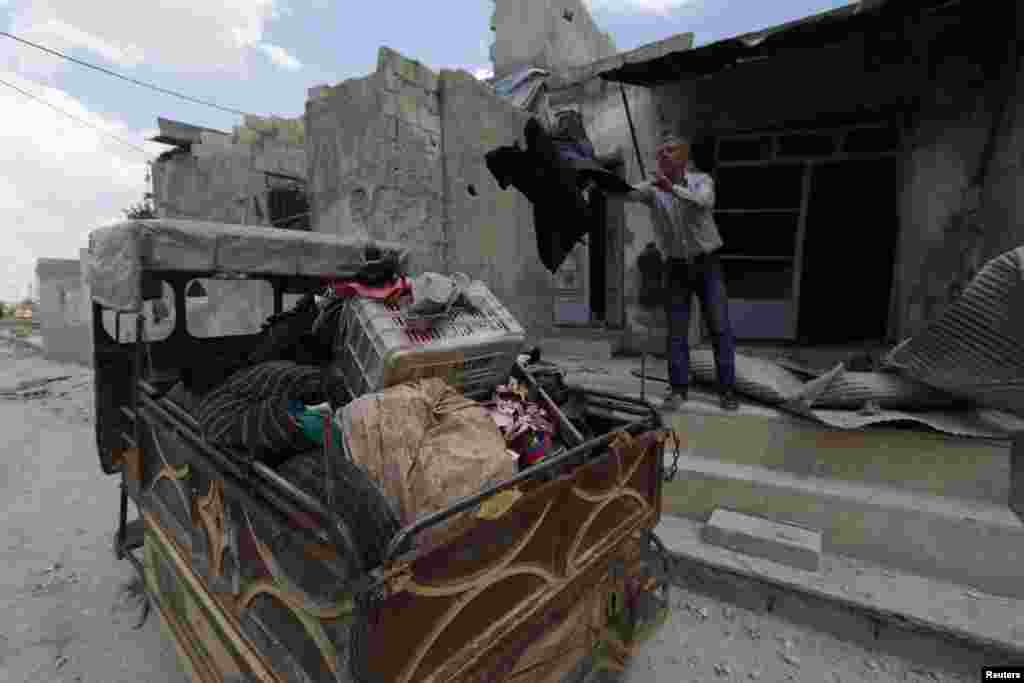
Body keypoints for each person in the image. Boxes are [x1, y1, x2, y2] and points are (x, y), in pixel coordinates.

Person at [624, 134, 739, 411]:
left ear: (684, 158)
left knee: (719, 327)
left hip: (706, 263)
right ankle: (678, 389)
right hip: (675, 266)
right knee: (676, 330)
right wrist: (599, 178)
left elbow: (703, 202)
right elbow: (626, 192)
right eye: (660, 151)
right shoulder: (652, 189)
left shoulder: (702, 181)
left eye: (670, 150)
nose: (663, 155)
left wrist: (672, 189)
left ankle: (727, 391)